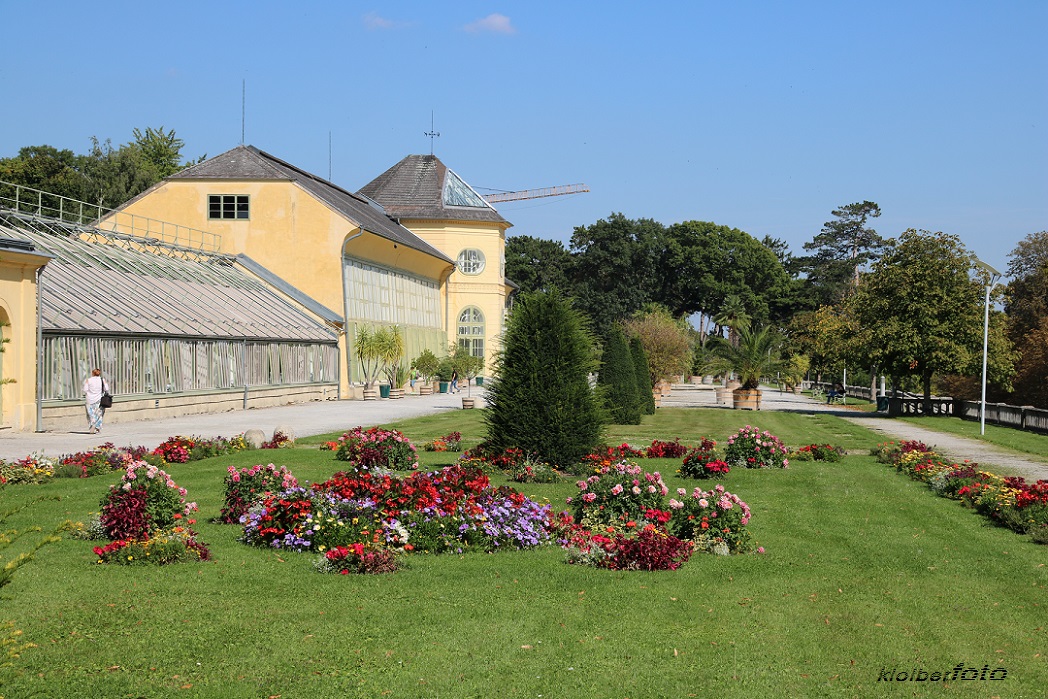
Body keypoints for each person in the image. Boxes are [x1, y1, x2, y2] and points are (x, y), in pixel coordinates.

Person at [82, 368, 110, 434]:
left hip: (89, 399)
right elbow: (106, 388)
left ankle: (92, 424)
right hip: (99, 399)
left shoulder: (89, 380)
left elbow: (85, 389)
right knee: (99, 414)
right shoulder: (102, 380)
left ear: (92, 373)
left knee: (90, 414)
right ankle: (98, 427)